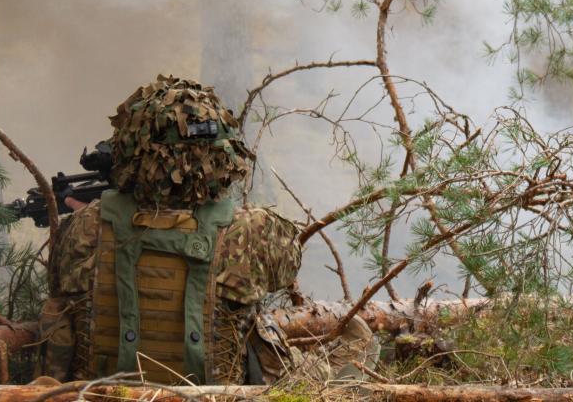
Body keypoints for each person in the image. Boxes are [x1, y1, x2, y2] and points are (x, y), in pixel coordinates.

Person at [39, 75, 373, 384]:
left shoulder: (81, 228)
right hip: (216, 395)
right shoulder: (253, 230)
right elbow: (285, 268)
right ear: (221, 155)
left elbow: (61, 290)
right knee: (358, 343)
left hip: (100, 394)